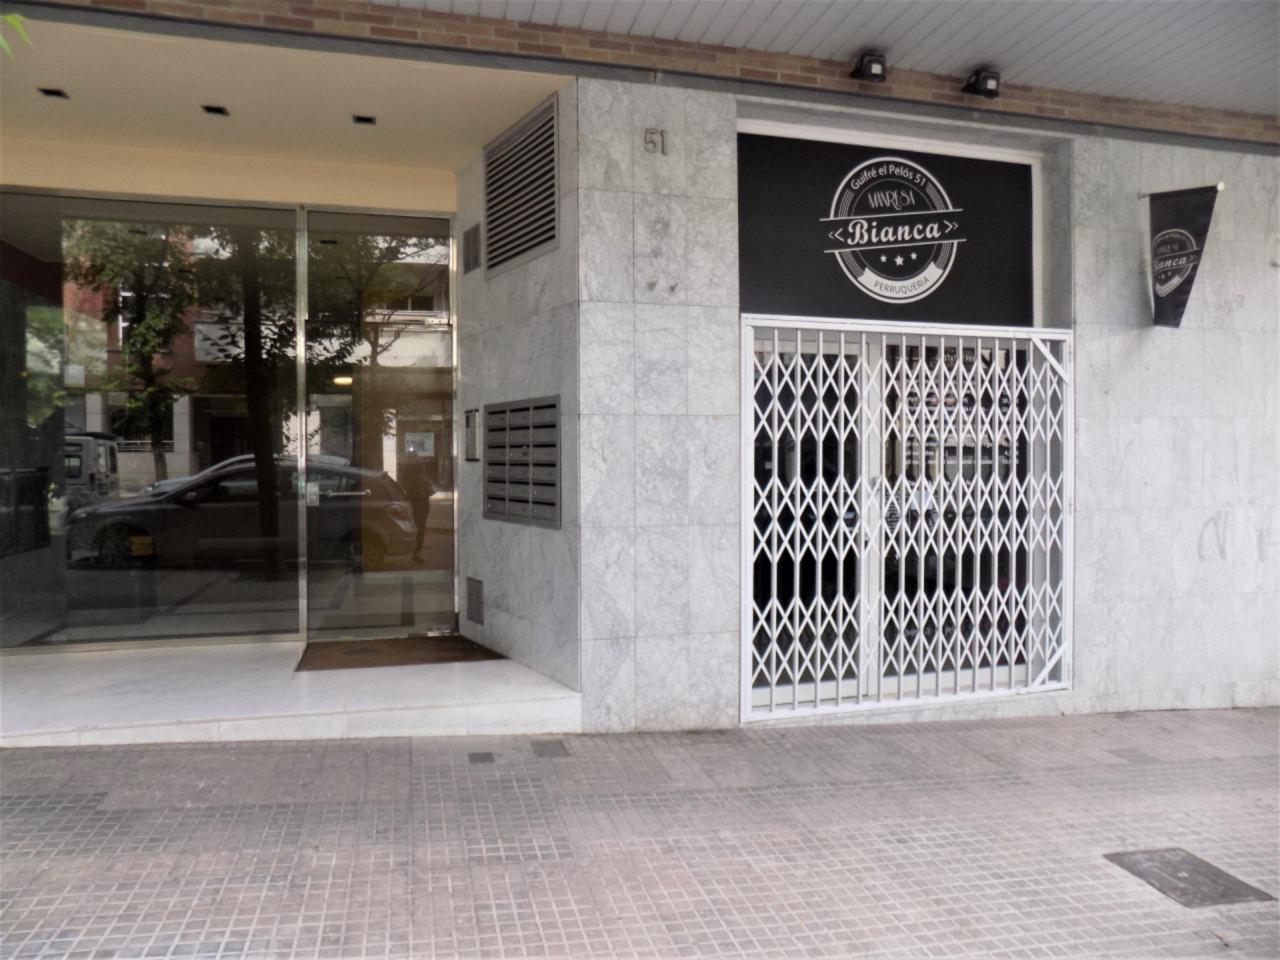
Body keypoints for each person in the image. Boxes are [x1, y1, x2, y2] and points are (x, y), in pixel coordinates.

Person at [401, 454, 435, 562]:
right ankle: (415, 551)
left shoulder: (419, 477)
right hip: (417, 503)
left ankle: (416, 551)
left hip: (418, 503)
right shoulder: (412, 475)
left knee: (419, 528)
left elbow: (430, 489)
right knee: (418, 528)